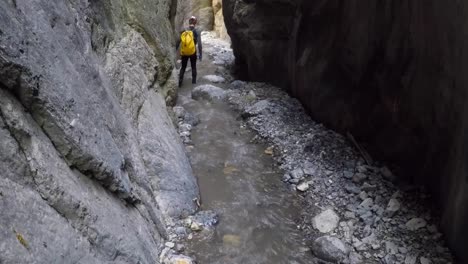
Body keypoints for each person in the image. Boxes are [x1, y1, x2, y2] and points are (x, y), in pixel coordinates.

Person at [176, 16, 203, 87]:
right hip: (193, 52)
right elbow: (199, 44)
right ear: (195, 23)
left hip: (184, 52)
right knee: (193, 66)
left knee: (183, 67)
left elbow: (178, 41)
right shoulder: (197, 31)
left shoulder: (184, 30)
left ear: (189, 22)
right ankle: (193, 83)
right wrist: (200, 54)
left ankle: (180, 83)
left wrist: (176, 50)